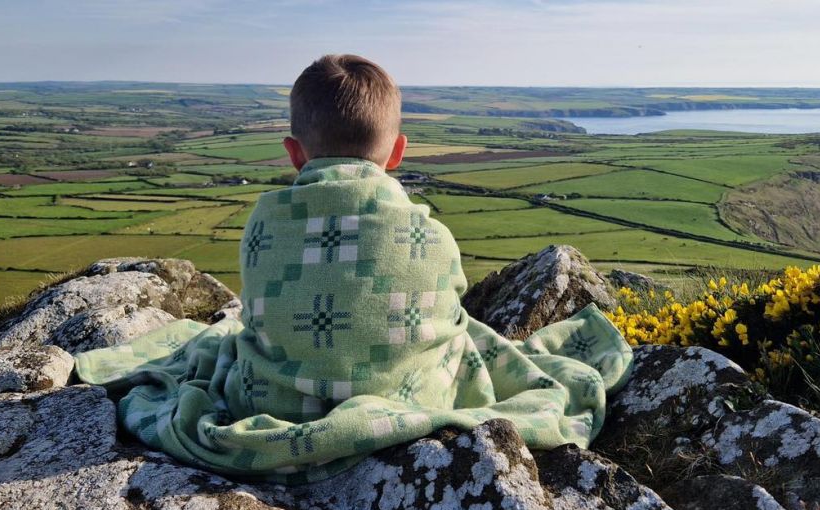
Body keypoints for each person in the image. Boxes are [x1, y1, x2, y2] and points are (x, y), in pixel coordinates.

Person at [75, 54, 633, 484]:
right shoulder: (430, 236)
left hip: (267, 405)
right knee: (463, 336)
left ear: (294, 153)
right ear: (397, 153)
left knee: (226, 341)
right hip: (413, 401)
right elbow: (451, 317)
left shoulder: (263, 223)